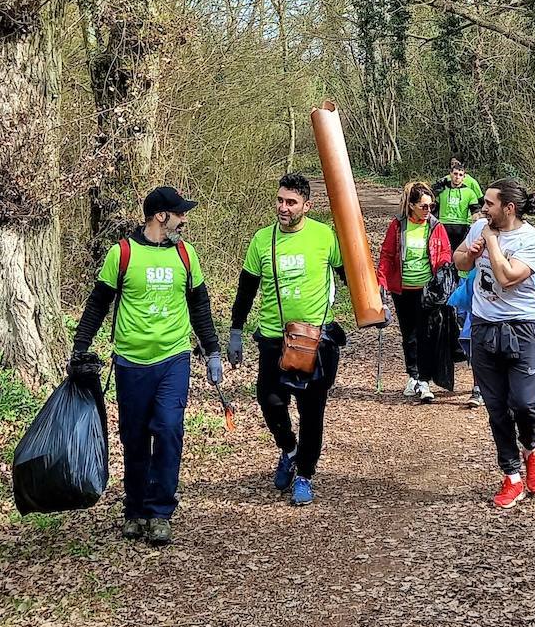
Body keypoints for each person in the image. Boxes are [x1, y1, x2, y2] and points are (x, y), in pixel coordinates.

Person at [69, 186, 221, 546]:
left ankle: (159, 512)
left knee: (168, 430)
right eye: (179, 213)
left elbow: (199, 304)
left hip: (173, 358)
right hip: (131, 362)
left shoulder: (186, 255)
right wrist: (79, 348)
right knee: (135, 438)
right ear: (160, 216)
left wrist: (212, 351)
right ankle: (135, 510)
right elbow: (98, 304)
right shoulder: (121, 254)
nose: (184, 220)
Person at [226, 173, 344, 508]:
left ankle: (305, 475)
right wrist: (236, 330)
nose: (283, 207)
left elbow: (348, 273)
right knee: (270, 400)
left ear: (307, 205)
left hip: (315, 341)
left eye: (291, 202)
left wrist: (373, 299)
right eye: (280, 200)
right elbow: (246, 288)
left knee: (311, 411)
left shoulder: (324, 236)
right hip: (273, 339)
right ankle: (289, 450)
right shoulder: (263, 240)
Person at [454, 179, 535, 510]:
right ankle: (511, 476)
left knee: (524, 402)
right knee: (496, 408)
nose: (483, 209)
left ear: (508, 208)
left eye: (489, 204)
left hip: (523, 328)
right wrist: (471, 251)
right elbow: (460, 262)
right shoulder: (479, 226)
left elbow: (508, 277)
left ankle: (533, 448)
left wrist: (491, 243)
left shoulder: (533, 240)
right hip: (484, 328)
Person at [376, 179, 452, 402]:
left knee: (426, 334)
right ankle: (413, 375)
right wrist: (381, 281)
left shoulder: (436, 226)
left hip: (427, 290)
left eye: (431, 206)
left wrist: (442, 275)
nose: (428, 210)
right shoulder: (398, 226)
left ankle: (424, 380)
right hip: (403, 289)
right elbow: (387, 255)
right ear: (411, 205)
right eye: (424, 206)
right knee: (409, 334)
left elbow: (445, 253)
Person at [432, 159, 484, 252]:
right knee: (443, 252)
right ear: (450, 174)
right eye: (455, 174)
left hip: (461, 226)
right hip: (444, 224)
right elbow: (433, 207)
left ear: (464, 177)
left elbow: (475, 210)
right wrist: (434, 191)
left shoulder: (469, 192)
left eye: (460, 175)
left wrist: (476, 220)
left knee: (458, 252)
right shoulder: (442, 190)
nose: (457, 177)